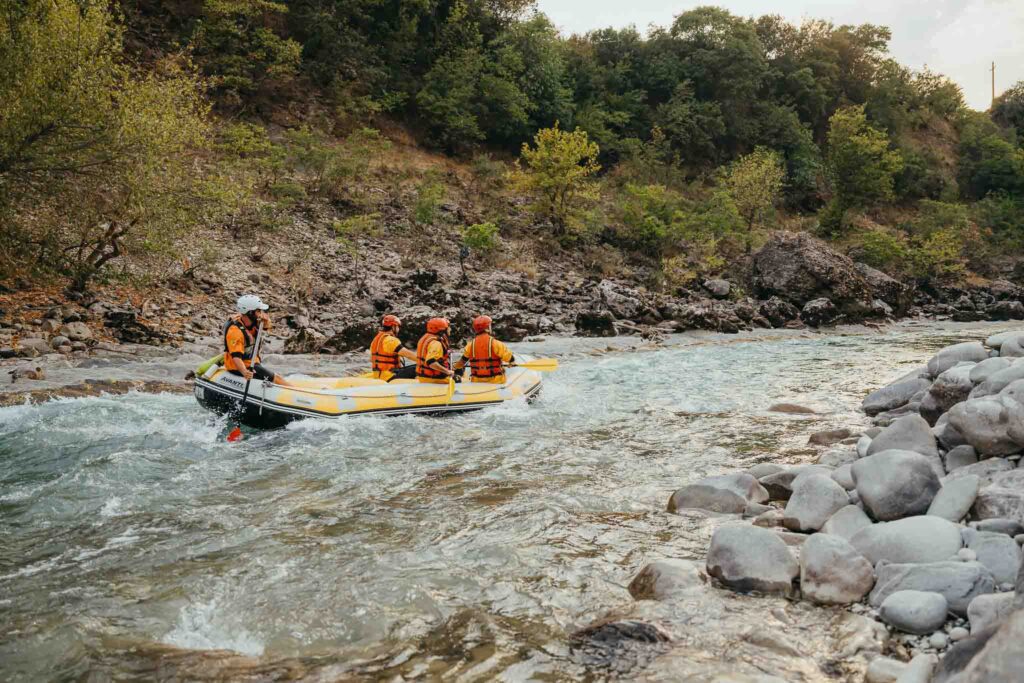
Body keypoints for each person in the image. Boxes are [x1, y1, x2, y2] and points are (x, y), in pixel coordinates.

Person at [223, 294, 293, 387]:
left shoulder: (253, 321)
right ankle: (296, 391)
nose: (261, 313)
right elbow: (236, 357)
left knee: (270, 376)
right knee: (275, 377)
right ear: (250, 313)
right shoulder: (235, 331)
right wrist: (245, 372)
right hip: (239, 366)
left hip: (252, 362)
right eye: (258, 311)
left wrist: (266, 321)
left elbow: (266, 326)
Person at [454, 315, 514, 383]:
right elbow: (508, 357)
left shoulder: (470, 345)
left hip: (477, 380)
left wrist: (455, 367)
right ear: (487, 328)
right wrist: (512, 362)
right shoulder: (495, 343)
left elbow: (462, 362)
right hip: (495, 381)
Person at [369, 314, 418, 381]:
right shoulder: (391, 340)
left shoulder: (376, 340)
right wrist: (424, 362)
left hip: (379, 375)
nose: (398, 329)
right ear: (393, 326)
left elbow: (371, 359)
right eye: (398, 327)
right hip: (390, 376)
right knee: (419, 367)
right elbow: (409, 355)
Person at [416, 317, 457, 384]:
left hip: (422, 377)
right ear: (442, 330)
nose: (450, 329)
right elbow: (431, 362)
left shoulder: (425, 338)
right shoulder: (436, 343)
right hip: (436, 379)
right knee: (458, 379)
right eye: (448, 327)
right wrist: (447, 372)